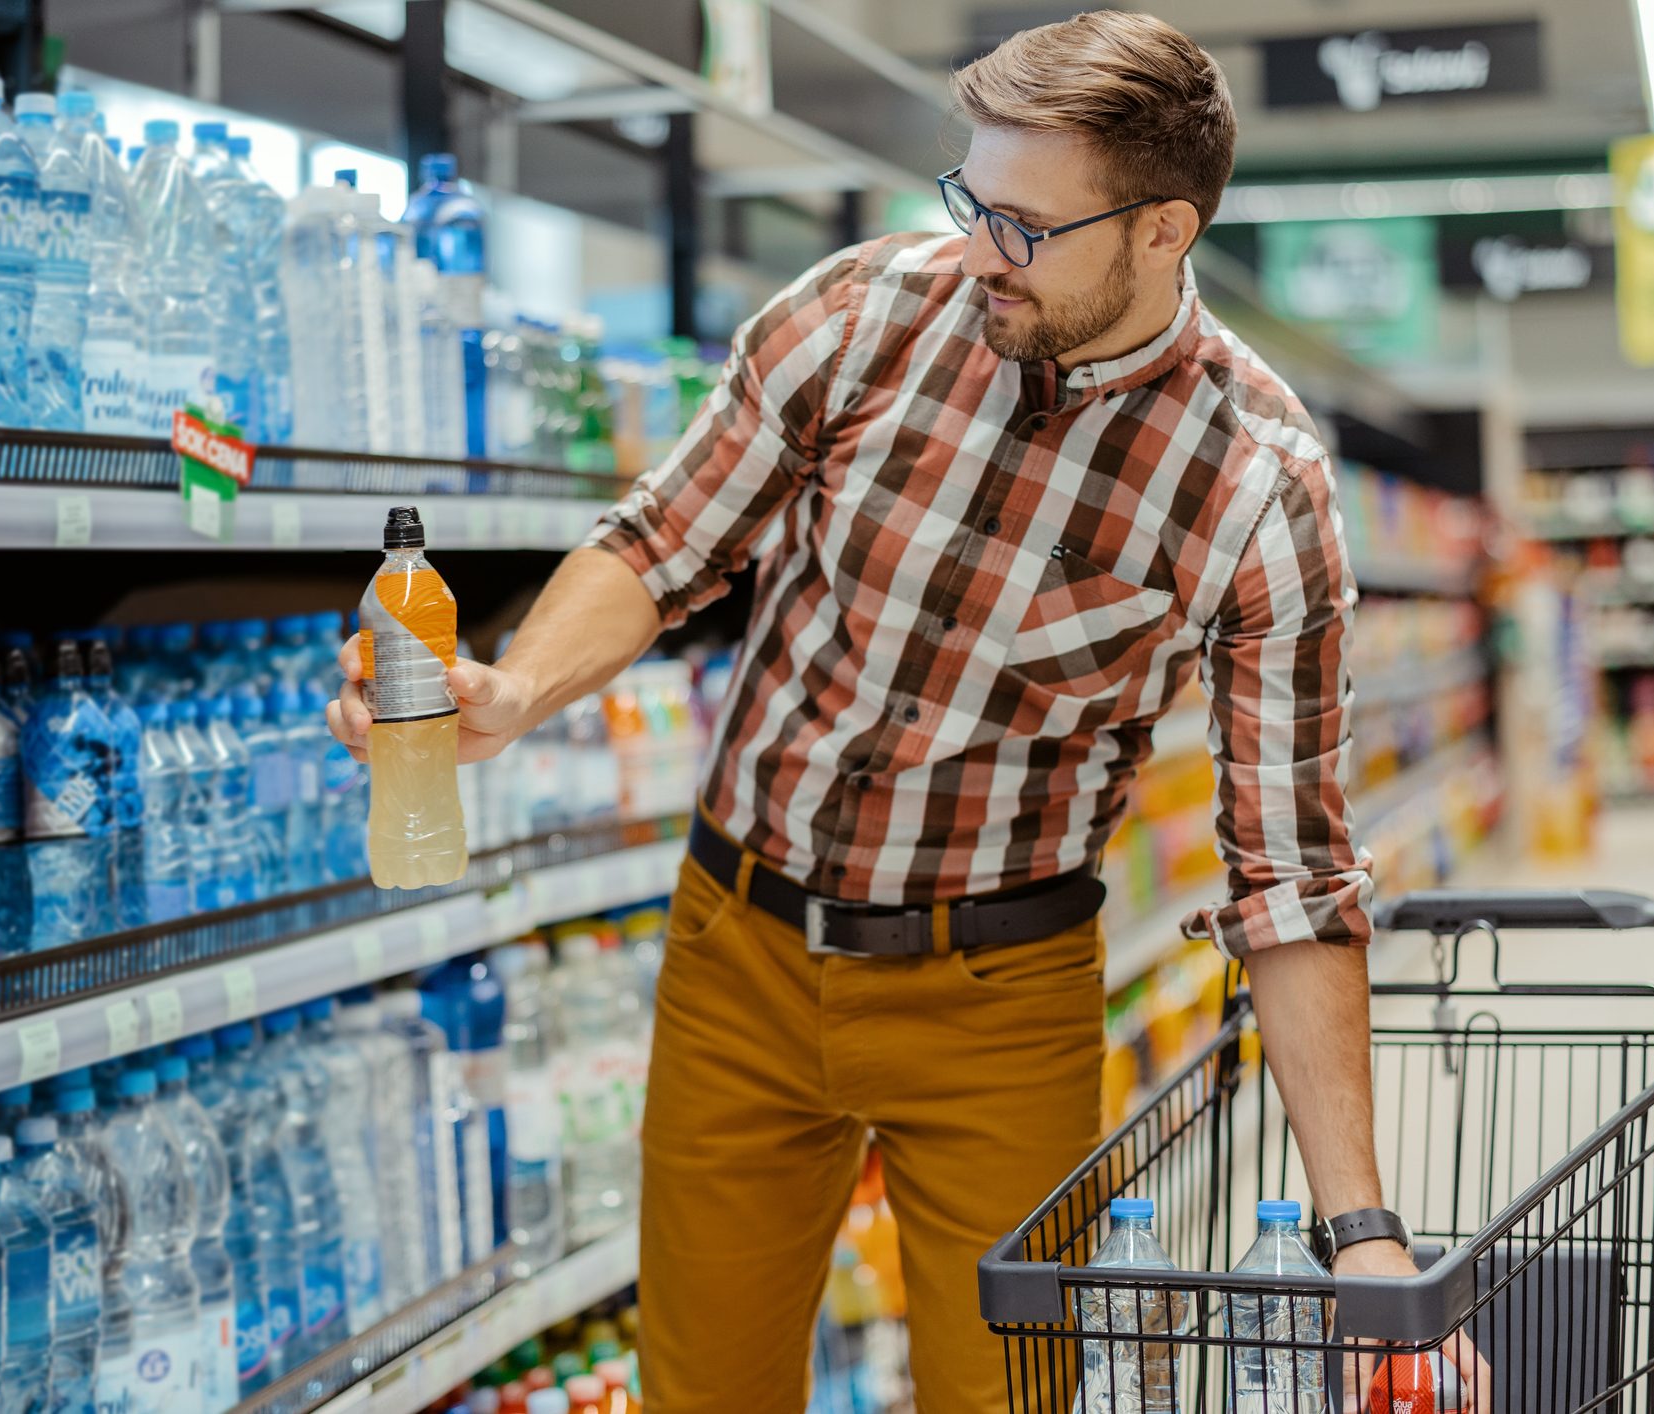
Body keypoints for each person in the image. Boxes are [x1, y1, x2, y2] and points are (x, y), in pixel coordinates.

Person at [332, 12, 1488, 1411]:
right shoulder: (860, 314)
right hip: (740, 950)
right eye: (971, 198)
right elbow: (655, 546)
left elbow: (1291, 879)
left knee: (1012, 1393)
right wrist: (514, 689)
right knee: (703, 1386)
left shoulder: (1258, 489)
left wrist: (1361, 1233)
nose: (980, 249)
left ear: (1163, 230)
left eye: (1026, 224)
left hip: (1001, 996)